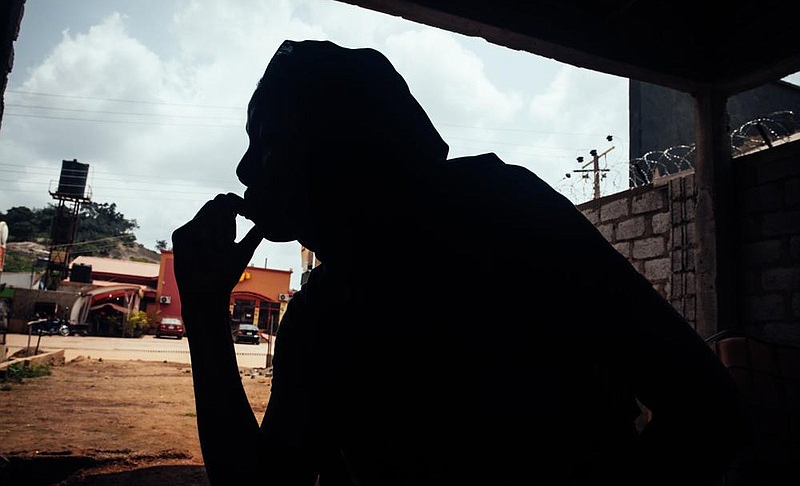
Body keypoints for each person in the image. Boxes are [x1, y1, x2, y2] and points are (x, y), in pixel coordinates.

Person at [171, 40, 750, 485]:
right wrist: (202, 310)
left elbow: (707, 408)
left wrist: (203, 314)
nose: (246, 170)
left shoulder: (498, 217)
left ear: (340, 144)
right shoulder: (333, 302)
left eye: (267, 140)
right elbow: (710, 409)